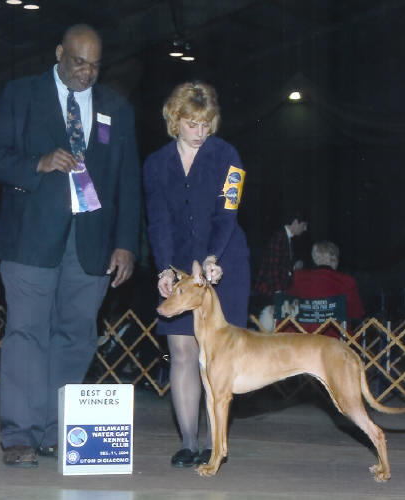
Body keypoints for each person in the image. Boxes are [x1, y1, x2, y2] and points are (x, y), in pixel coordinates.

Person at [0, 24, 141, 467]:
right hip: (29, 239)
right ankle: (20, 436)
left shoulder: (115, 109)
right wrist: (38, 162)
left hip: (90, 245)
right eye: (79, 62)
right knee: (27, 334)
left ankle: (57, 432)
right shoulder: (20, 94)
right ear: (59, 54)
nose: (87, 73)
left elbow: (128, 182)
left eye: (95, 65)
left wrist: (126, 244)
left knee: (76, 337)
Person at [143, 81, 250, 468]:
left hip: (224, 263)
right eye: (191, 124)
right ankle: (189, 442)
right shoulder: (155, 164)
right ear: (175, 120)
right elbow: (158, 223)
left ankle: (215, 445)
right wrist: (165, 269)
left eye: (206, 124)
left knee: (218, 358)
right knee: (183, 351)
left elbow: (228, 212)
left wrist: (209, 259)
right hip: (177, 267)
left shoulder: (230, 156)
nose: (200, 132)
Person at [287, 241, 365, 337]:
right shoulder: (347, 281)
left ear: (315, 259)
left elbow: (287, 305)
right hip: (334, 339)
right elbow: (356, 314)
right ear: (334, 259)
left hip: (301, 337)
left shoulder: (298, 278)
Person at [254, 210, 308, 298]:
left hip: (276, 288)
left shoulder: (286, 237)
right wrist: (279, 293)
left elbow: (282, 265)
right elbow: (273, 267)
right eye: (304, 225)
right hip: (270, 290)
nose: (305, 229)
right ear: (295, 222)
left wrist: (294, 267)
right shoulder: (279, 237)